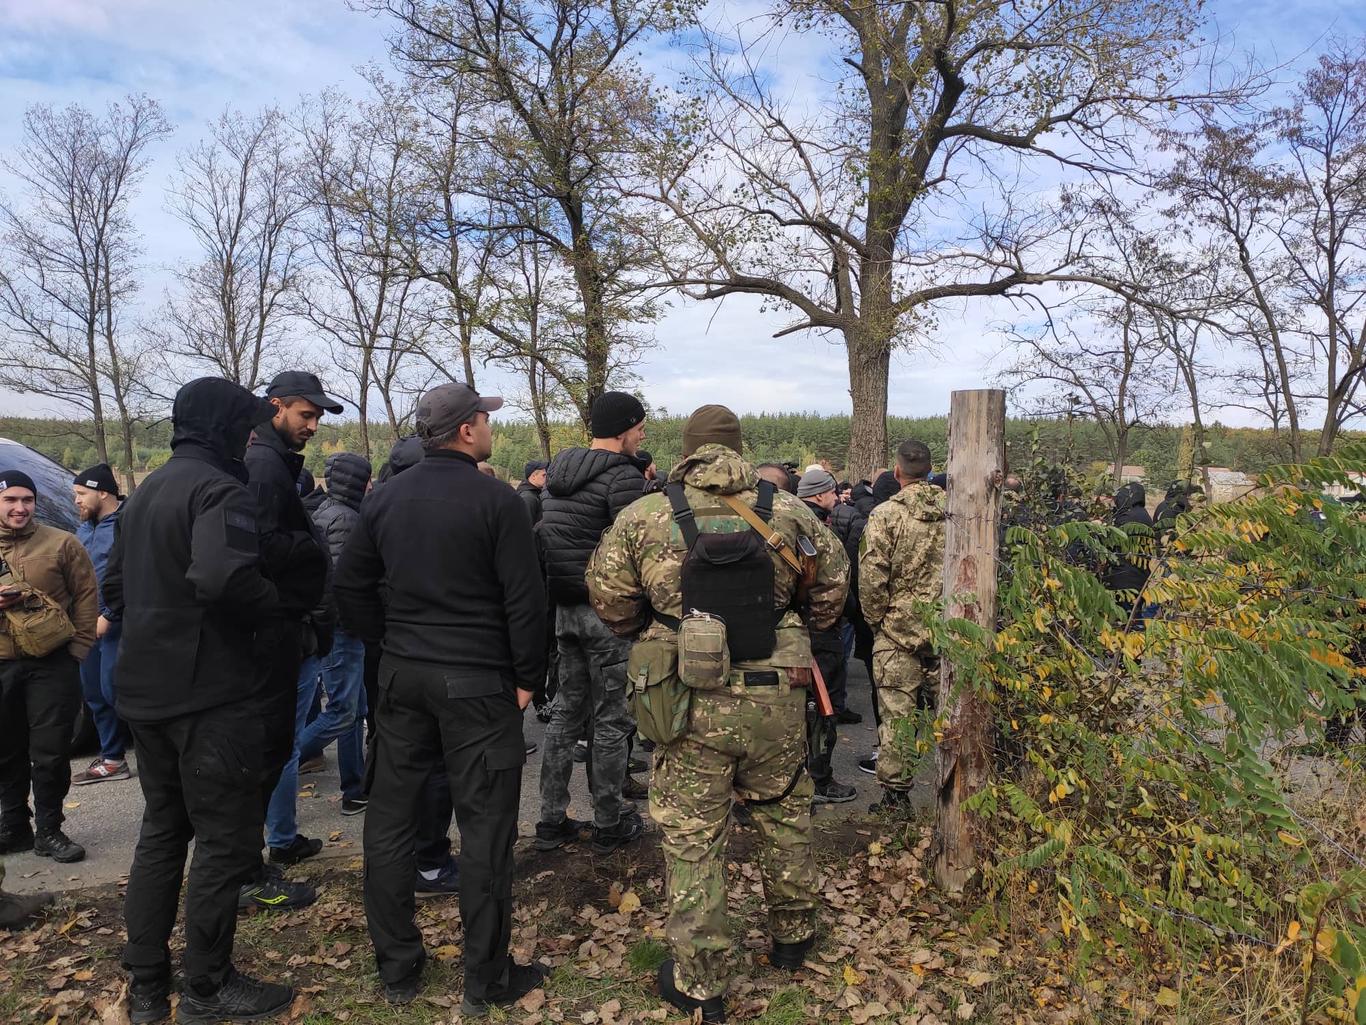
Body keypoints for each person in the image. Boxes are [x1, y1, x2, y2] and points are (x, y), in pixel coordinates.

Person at [587, 405, 848, 1023]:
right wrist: (792, 626)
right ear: (737, 446)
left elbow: (609, 598)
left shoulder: (646, 514)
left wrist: (658, 631)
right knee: (784, 816)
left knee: (694, 839)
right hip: (776, 696)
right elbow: (833, 586)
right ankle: (793, 937)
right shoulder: (788, 510)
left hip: (686, 702)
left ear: (686, 450)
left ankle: (702, 981)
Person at [334, 381, 547, 1011]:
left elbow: (349, 588)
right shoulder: (497, 501)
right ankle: (486, 979)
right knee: (485, 830)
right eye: (485, 418)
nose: (490, 428)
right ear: (465, 430)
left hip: (405, 679)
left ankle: (398, 968)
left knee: (390, 823)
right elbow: (524, 600)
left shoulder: (385, 498)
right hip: (478, 682)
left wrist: (393, 643)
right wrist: (527, 679)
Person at [107, 378, 296, 1024]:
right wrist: (281, 612)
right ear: (221, 427)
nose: (250, 438)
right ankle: (208, 986)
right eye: (245, 428)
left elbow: (113, 588)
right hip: (210, 696)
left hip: (143, 691)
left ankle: (145, 986)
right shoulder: (220, 490)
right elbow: (224, 577)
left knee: (161, 832)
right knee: (223, 839)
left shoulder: (144, 495)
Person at [536, 391, 648, 854]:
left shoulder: (558, 474)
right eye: (639, 427)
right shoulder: (622, 477)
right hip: (607, 615)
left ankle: (550, 818)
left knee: (565, 711)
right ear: (622, 428)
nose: (642, 435)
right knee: (610, 719)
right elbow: (636, 548)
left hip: (564, 611)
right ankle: (607, 819)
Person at [249, 371, 338, 880]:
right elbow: (258, 549)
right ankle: (275, 842)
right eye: (306, 415)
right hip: (281, 630)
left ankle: (278, 838)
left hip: (293, 627)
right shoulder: (263, 467)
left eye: (317, 417)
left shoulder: (272, 462)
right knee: (278, 743)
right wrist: (310, 552)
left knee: (282, 741)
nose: (313, 426)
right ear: (276, 406)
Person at [0, 470, 98, 865]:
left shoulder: (63, 544)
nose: (20, 508)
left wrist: (78, 649)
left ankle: (50, 830)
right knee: (5, 751)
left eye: (27, 500)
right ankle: (14, 827)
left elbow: (88, 596)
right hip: (2, 665)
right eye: (11, 500)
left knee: (51, 752)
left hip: (52, 664)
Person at [858, 440, 945, 814]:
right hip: (950, 631)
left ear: (897, 473)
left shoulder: (885, 516)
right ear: (930, 470)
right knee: (955, 714)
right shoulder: (958, 512)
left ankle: (896, 798)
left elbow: (872, 576)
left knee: (896, 717)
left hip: (897, 632)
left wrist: (878, 621)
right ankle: (959, 789)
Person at [301, 453, 372, 816]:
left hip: (343, 630)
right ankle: (287, 754)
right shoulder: (344, 519)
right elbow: (343, 583)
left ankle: (354, 788)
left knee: (354, 709)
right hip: (344, 631)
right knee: (343, 711)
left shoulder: (330, 511)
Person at [794, 469, 857, 804]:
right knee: (822, 709)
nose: (837, 498)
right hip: (818, 635)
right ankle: (819, 778)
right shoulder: (817, 530)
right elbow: (835, 587)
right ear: (819, 496)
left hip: (788, 634)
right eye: (832, 493)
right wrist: (822, 627)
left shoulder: (781, 522)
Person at [70, 463, 131, 786]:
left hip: (117, 624)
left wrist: (110, 616)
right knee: (93, 693)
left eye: (81, 494)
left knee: (115, 691)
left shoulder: (126, 525)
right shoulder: (83, 529)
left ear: (103, 492)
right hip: (85, 625)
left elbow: (132, 576)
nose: (77, 500)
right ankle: (112, 758)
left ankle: (157, 755)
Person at [517, 460, 548, 526]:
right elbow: (525, 526)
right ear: (533, 476)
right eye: (544, 475)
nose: (546, 478)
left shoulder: (534, 493)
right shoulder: (528, 497)